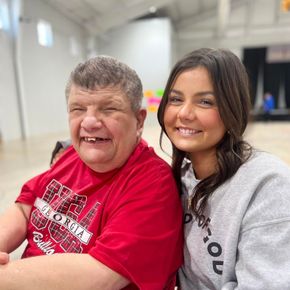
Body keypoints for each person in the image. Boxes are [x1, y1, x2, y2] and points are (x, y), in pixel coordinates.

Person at [0, 56, 183, 289]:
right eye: (78, 109)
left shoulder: (153, 183)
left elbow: (100, 277)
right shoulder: (71, 156)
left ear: (138, 121)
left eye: (108, 109)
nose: (89, 122)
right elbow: (24, 208)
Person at [157, 48, 290, 289]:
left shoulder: (268, 184)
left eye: (205, 102)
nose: (184, 113)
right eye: (175, 99)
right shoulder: (179, 179)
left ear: (233, 110)